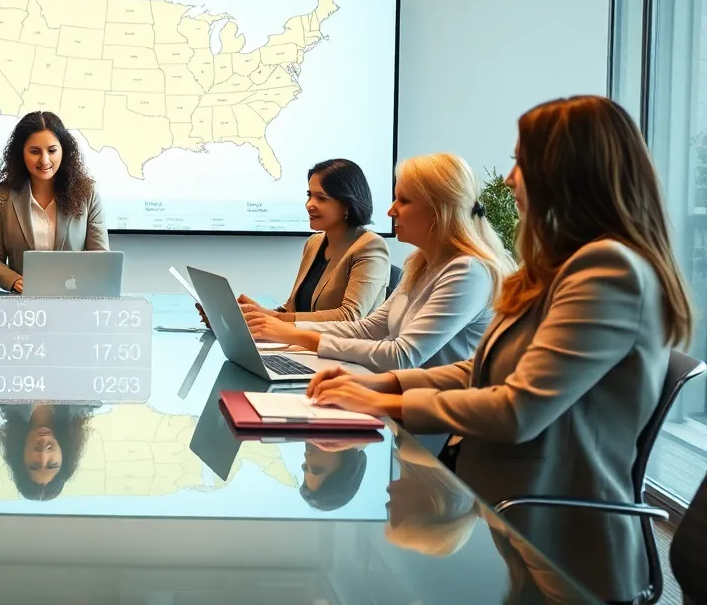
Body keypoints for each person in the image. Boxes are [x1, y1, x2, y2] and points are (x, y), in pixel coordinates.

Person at [305, 96, 695, 603]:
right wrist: (382, 383)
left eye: (521, 162)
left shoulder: (608, 271)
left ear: (566, 173)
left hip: (562, 549)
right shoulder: (561, 267)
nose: (509, 179)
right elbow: (481, 370)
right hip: (510, 519)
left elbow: (518, 409)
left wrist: (383, 403)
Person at [245, 153, 514, 373]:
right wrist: (279, 327)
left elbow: (401, 355)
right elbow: (370, 328)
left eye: (404, 200)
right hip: (407, 403)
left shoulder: (468, 272)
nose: (390, 210)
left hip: (439, 426)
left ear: (438, 210)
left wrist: (293, 334)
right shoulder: (420, 262)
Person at [0, 111, 109, 293]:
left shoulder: (87, 193)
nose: (44, 160)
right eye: (34, 151)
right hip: (24, 307)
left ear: (64, 150)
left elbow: (101, 257)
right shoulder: (3, 195)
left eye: (52, 150)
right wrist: (14, 280)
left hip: (75, 301)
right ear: (21, 153)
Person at [265, 159, 390, 321]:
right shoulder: (313, 242)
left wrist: (276, 319)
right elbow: (292, 308)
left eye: (321, 198)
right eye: (310, 195)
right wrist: (259, 314)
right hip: (305, 344)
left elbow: (349, 316)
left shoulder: (371, 246)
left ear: (347, 204)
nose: (309, 204)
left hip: (346, 345)